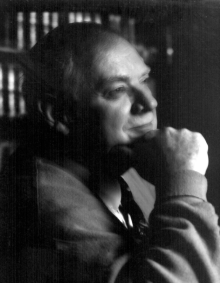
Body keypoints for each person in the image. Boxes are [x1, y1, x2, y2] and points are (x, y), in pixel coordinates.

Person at [0, 22, 220, 283]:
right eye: (117, 90)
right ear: (59, 114)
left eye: (143, 80)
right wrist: (185, 181)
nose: (149, 103)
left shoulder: (119, 170)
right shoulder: (44, 210)